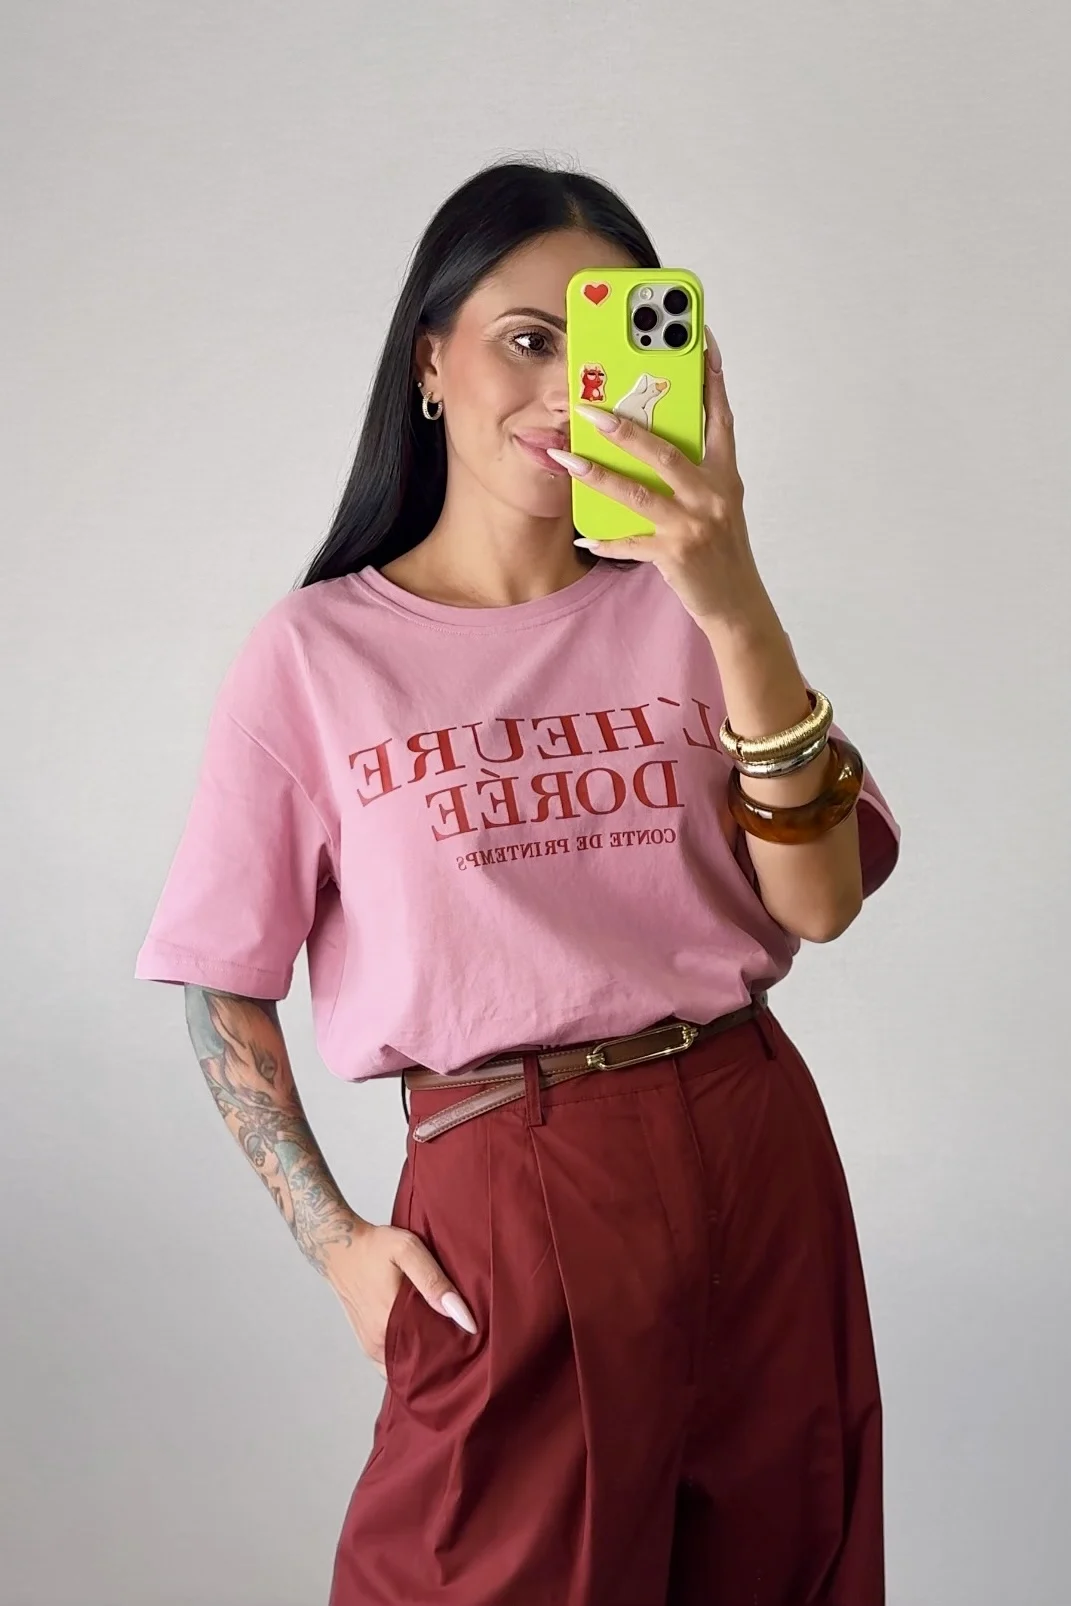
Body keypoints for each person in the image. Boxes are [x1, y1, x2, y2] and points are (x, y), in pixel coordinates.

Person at [134, 157, 902, 1606]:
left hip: (753, 1145)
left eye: (595, 339)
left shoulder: (690, 614)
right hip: (506, 1176)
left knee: (781, 1564)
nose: (559, 387)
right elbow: (220, 978)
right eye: (525, 339)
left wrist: (731, 592)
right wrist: (335, 1241)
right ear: (430, 361)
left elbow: (818, 904)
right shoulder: (316, 656)